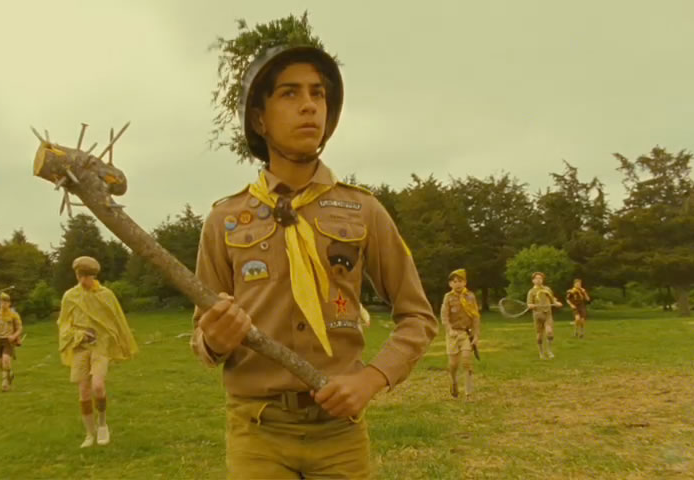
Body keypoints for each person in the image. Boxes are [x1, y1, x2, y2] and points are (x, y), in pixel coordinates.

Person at [191, 43, 438, 479]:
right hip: (257, 430)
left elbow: (418, 316)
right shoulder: (224, 220)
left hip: (340, 433)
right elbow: (203, 339)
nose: (309, 106)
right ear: (259, 119)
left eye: (317, 94)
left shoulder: (363, 210)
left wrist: (371, 379)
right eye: (290, 93)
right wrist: (214, 339)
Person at [57, 256, 137, 448]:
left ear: (93, 275)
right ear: (77, 275)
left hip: (100, 346)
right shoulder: (70, 296)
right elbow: (63, 323)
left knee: (98, 386)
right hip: (79, 346)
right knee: (84, 391)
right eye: (81, 275)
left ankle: (102, 424)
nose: (84, 279)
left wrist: (116, 339)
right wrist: (79, 334)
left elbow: (116, 320)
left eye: (88, 276)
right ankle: (89, 433)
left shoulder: (106, 295)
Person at [440, 269, 480, 400]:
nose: (457, 284)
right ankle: (453, 382)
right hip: (453, 335)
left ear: (465, 282)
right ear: (450, 284)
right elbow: (444, 316)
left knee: (467, 361)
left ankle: (469, 393)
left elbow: (475, 317)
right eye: (454, 281)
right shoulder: (448, 297)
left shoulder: (470, 296)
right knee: (453, 364)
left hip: (466, 333)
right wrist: (449, 329)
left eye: (460, 281)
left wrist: (476, 335)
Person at [526, 272, 562, 359]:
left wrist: (557, 303)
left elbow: (553, 300)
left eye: (540, 278)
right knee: (539, 336)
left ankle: (549, 351)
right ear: (533, 280)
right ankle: (541, 352)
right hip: (538, 315)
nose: (539, 280)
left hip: (548, 314)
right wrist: (531, 305)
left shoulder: (547, 289)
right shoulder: (531, 292)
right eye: (537, 278)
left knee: (549, 332)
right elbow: (529, 304)